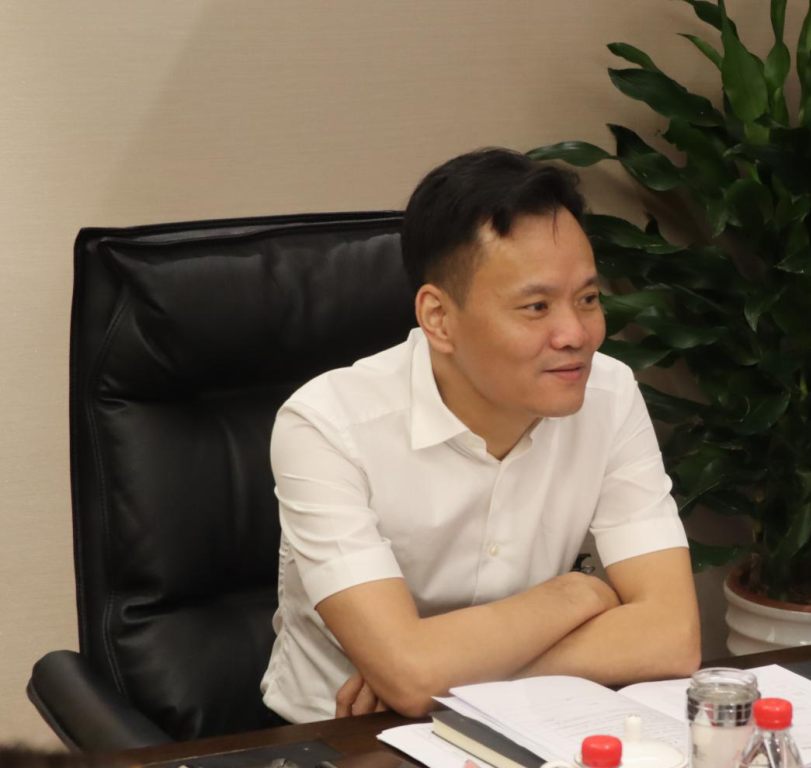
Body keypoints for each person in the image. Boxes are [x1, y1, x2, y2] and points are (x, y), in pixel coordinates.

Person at [260, 148, 701, 723]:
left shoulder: (608, 394)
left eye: (588, 299)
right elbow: (410, 676)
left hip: (534, 723)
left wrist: (441, 675)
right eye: (536, 306)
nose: (576, 334)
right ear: (438, 318)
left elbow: (673, 637)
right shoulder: (326, 426)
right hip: (345, 736)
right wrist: (579, 593)